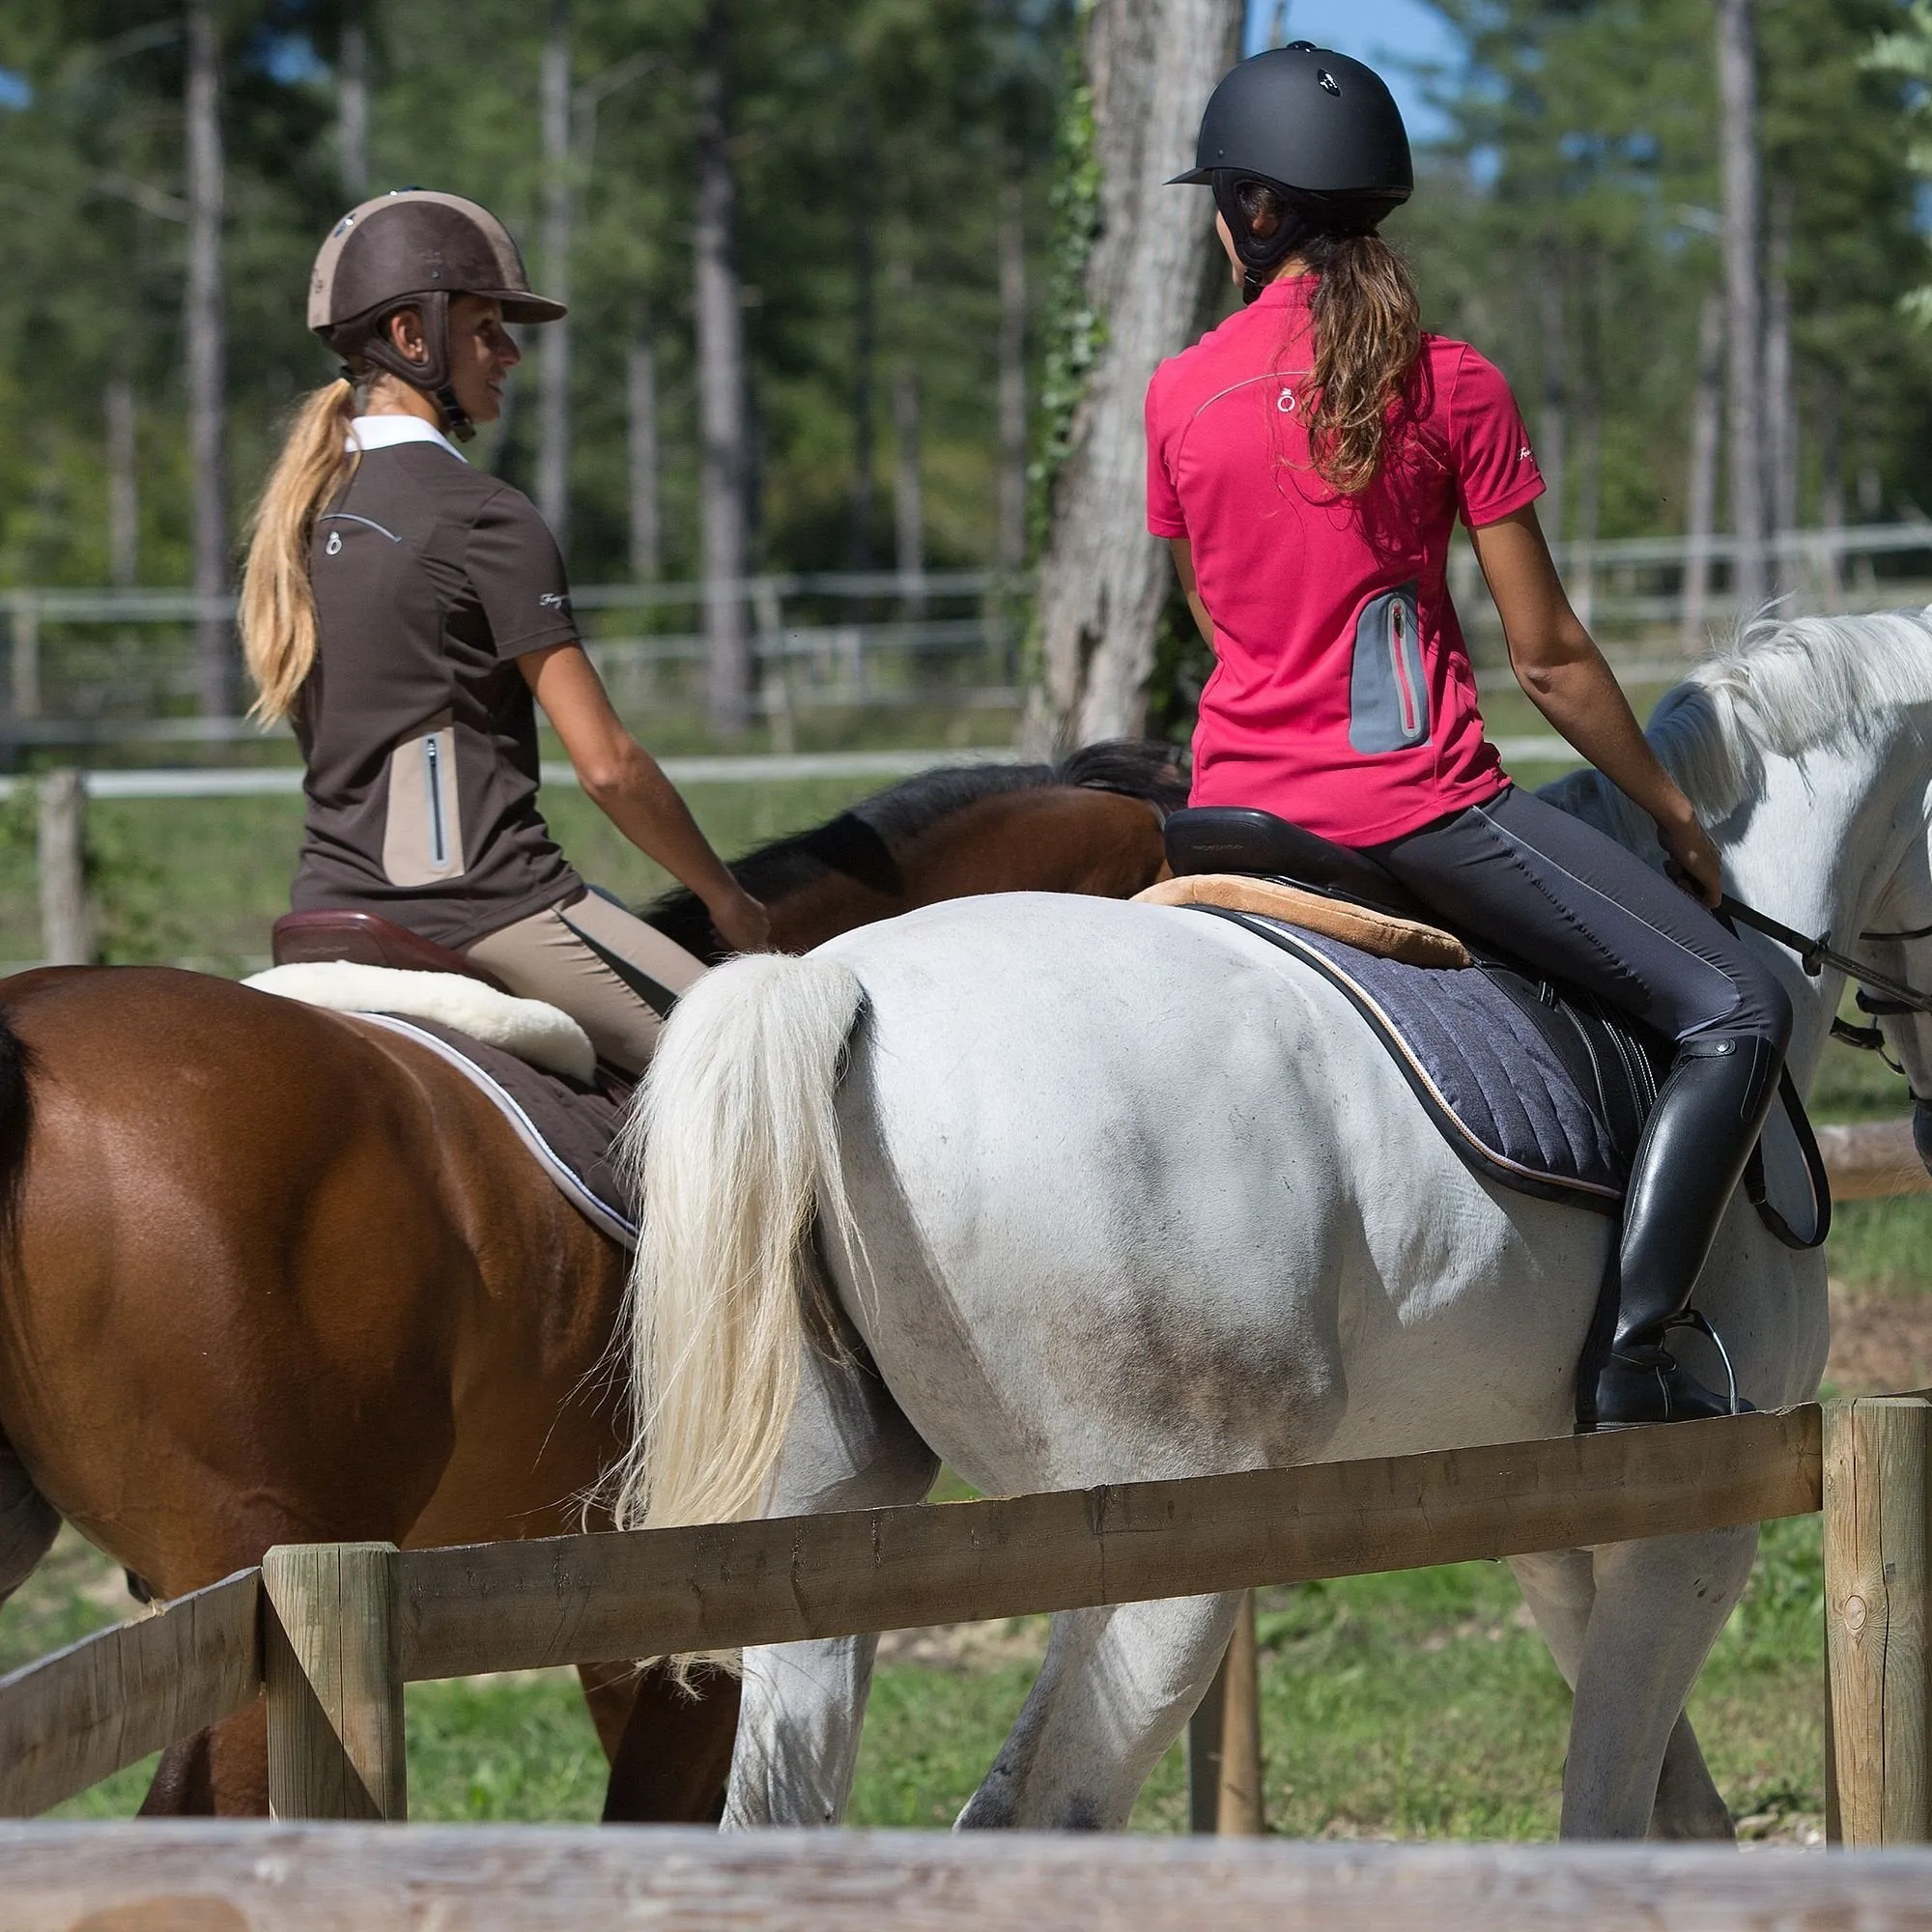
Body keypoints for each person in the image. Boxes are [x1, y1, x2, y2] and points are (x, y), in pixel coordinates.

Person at [1149, 47, 1791, 1429]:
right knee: (1740, 1006)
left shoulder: (1176, 395)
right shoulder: (1448, 383)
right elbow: (1550, 662)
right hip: (1410, 809)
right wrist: (1676, 818)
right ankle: (1632, 1357)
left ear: (1249, 212)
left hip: (1228, 808)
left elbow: (1219, 618)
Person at [239, 189, 768, 1075]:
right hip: (492, 908)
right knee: (754, 1065)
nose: (511, 355)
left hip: (326, 911)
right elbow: (609, 766)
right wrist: (726, 897)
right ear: (414, 337)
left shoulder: (300, 517)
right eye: (487, 329)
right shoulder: (483, 516)